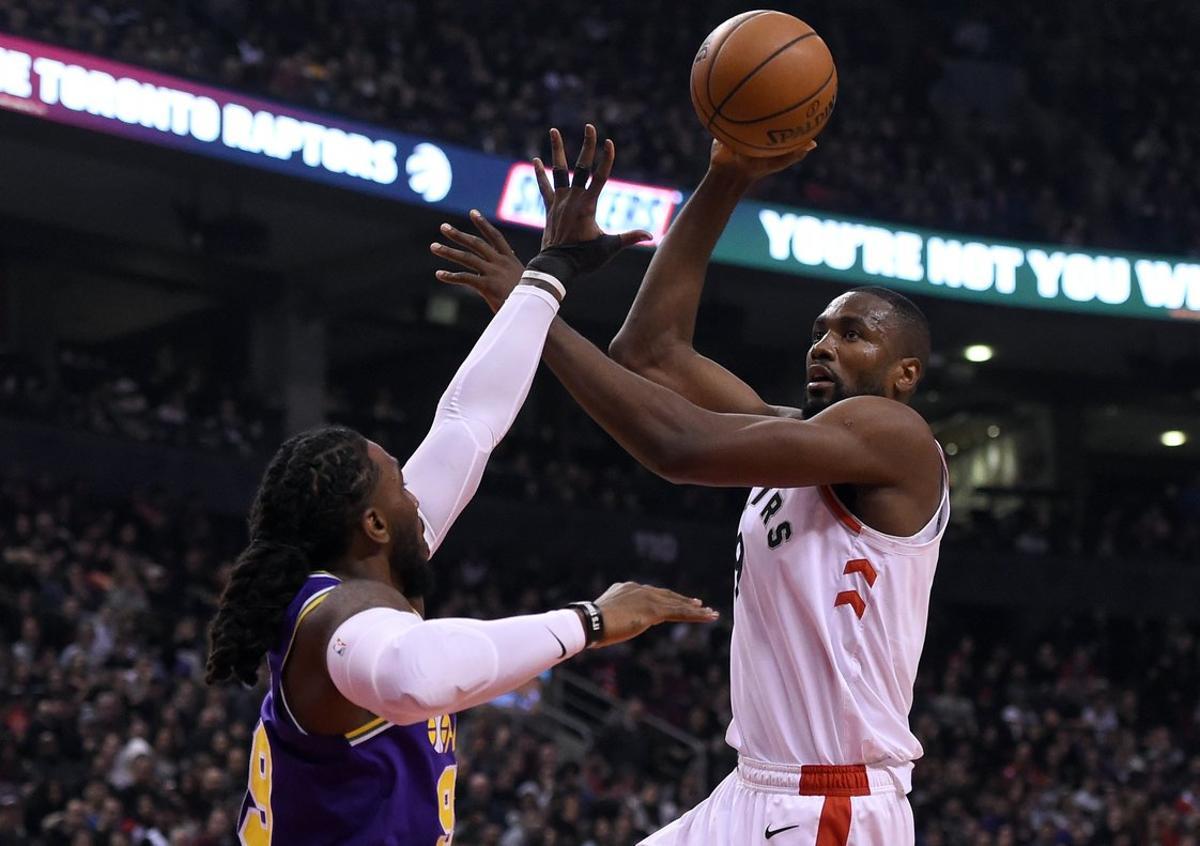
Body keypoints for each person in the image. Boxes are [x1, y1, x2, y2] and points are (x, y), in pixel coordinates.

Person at [205, 125, 719, 846]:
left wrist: (549, 275)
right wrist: (591, 621)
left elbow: (467, 425)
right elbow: (416, 674)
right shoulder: (331, 620)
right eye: (399, 489)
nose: (419, 496)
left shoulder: (371, 575)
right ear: (374, 527)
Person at [432, 133, 947, 845]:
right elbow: (647, 353)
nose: (823, 344)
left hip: (830, 805)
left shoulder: (896, 438)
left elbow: (679, 446)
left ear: (905, 376)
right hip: (752, 786)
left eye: (853, 334)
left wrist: (532, 302)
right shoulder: (790, 434)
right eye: (820, 330)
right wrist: (725, 175)